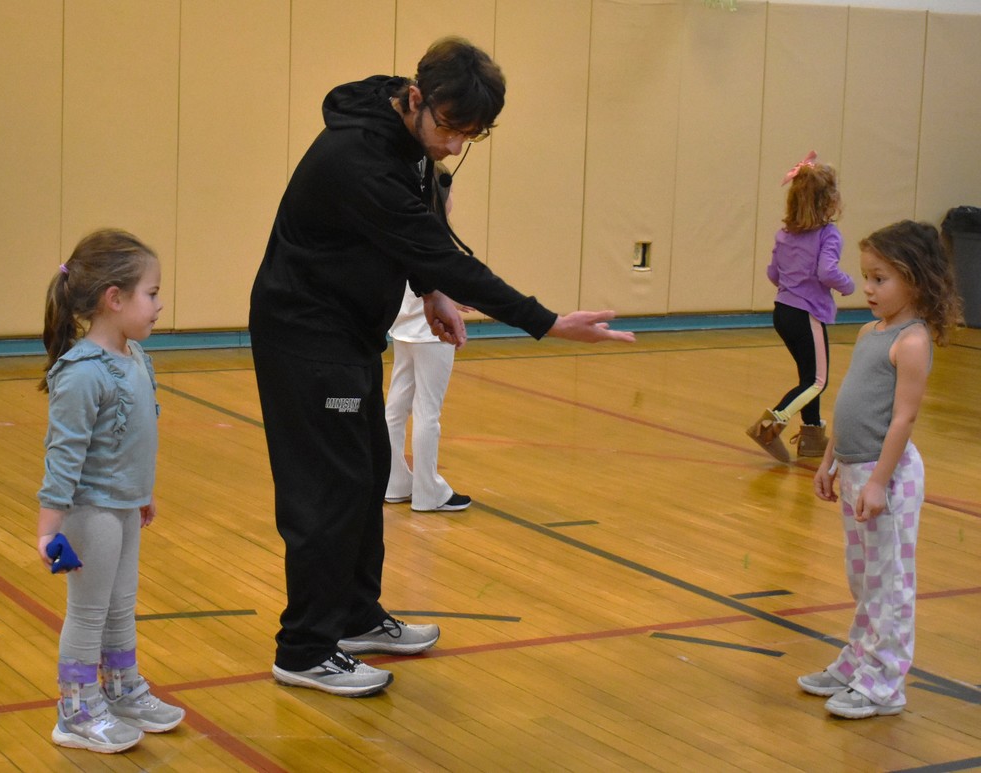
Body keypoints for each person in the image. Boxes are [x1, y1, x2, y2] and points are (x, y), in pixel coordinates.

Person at [249, 36, 634, 699]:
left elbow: (422, 224)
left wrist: (430, 291)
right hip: (305, 336)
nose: (454, 145)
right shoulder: (357, 160)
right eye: (450, 128)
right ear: (416, 99)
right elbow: (440, 249)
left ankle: (354, 617)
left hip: (346, 331)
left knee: (367, 472)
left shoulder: (403, 133)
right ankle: (305, 648)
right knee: (328, 490)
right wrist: (545, 321)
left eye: (469, 136)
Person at [800, 220, 961, 719]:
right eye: (866, 277)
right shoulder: (870, 331)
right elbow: (851, 402)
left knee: (889, 583)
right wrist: (830, 459)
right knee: (864, 580)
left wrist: (877, 482)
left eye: (880, 279)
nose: (867, 288)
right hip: (855, 472)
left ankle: (886, 683)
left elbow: (902, 419)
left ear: (915, 279)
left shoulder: (912, 341)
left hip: (886, 478)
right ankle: (859, 663)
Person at [37, 229, 185, 752]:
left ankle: (121, 691)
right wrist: (48, 531)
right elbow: (63, 458)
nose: (159, 305)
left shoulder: (135, 356)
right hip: (91, 512)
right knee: (89, 611)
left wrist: (142, 491)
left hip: (123, 506)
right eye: (152, 293)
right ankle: (75, 712)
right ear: (114, 299)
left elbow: (132, 437)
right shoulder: (82, 374)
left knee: (121, 604)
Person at [746, 152, 855, 463]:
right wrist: (848, 285)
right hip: (807, 314)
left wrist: (792, 284)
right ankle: (769, 426)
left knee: (808, 377)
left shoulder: (784, 234)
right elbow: (827, 272)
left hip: (782, 312)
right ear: (829, 202)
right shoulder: (828, 234)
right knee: (818, 381)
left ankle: (811, 437)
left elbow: (773, 273)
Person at [385, 163, 472, 513]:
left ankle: (394, 482)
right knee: (427, 412)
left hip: (403, 329)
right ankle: (427, 491)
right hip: (432, 334)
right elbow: (441, 281)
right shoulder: (436, 236)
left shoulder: (404, 227)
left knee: (396, 407)